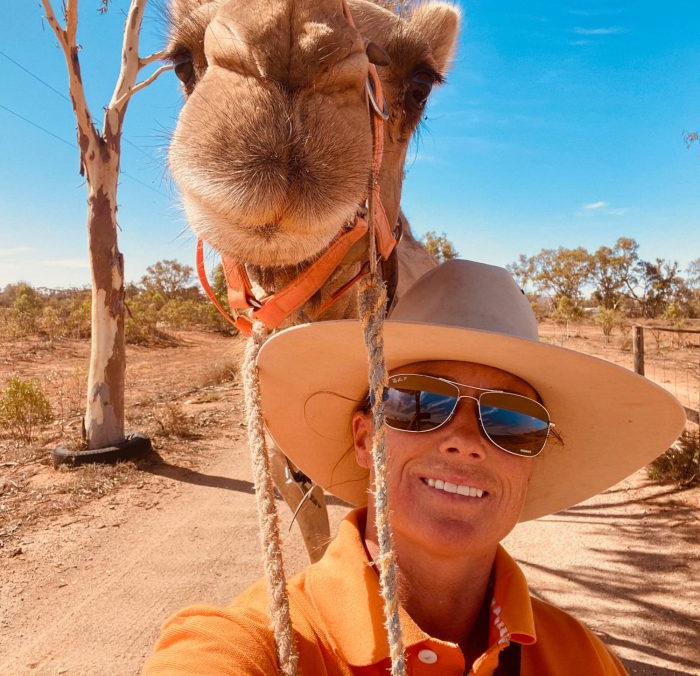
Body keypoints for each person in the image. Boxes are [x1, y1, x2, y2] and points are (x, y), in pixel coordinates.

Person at [143, 260, 684, 675]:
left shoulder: (580, 657)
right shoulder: (264, 641)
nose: (465, 442)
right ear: (364, 438)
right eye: (419, 402)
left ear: (532, 461)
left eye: (511, 421)